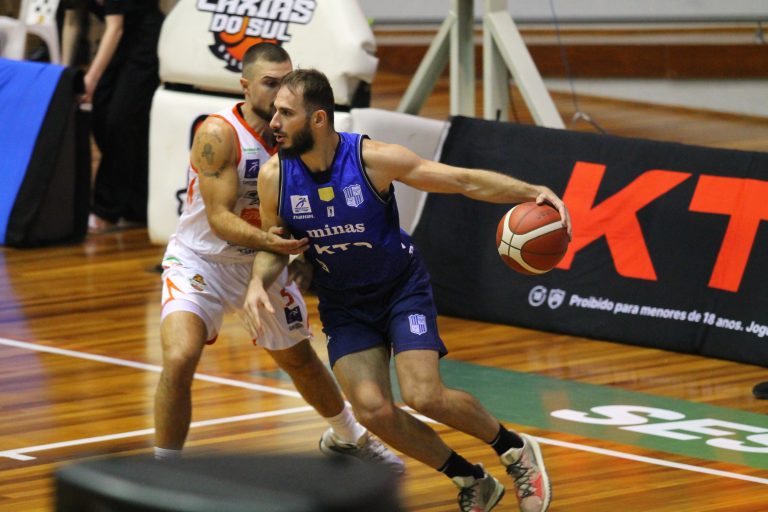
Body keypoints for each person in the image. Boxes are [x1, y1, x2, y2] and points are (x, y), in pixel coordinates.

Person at [244, 69, 572, 512]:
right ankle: (470, 479)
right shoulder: (275, 177)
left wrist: (530, 192)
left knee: (424, 395)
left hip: (400, 289)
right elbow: (274, 244)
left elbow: (462, 180)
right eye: (275, 112)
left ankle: (515, 450)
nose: (274, 122)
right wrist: (257, 283)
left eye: (286, 113)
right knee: (372, 410)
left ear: (318, 119)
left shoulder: (372, 160)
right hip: (344, 304)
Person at [154, 43, 403, 473]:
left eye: (285, 82)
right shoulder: (218, 134)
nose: (278, 92)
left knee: (300, 361)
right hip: (201, 261)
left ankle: (349, 437)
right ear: (245, 86)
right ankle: (163, 469)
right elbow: (219, 218)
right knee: (179, 357)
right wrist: (278, 245)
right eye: (269, 83)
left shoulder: (299, 137)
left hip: (261, 262)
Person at [80, 0, 164, 233]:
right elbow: (71, 21)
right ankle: (139, 206)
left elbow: (115, 26)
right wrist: (63, 72)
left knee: (121, 121)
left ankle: (105, 210)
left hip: (145, 41)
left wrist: (90, 79)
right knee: (101, 117)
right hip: (118, 43)